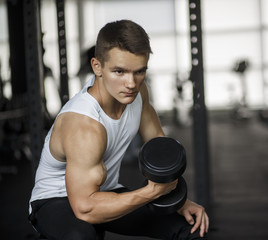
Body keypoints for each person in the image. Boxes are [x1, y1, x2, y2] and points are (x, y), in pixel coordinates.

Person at [28, 19, 209, 240]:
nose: (131, 83)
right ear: (97, 67)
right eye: (119, 72)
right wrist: (151, 193)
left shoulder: (139, 95)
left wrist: (178, 201)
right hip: (56, 201)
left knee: (191, 226)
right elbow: (85, 208)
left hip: (103, 191)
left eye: (139, 71)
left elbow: (161, 154)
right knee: (81, 236)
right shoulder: (84, 126)